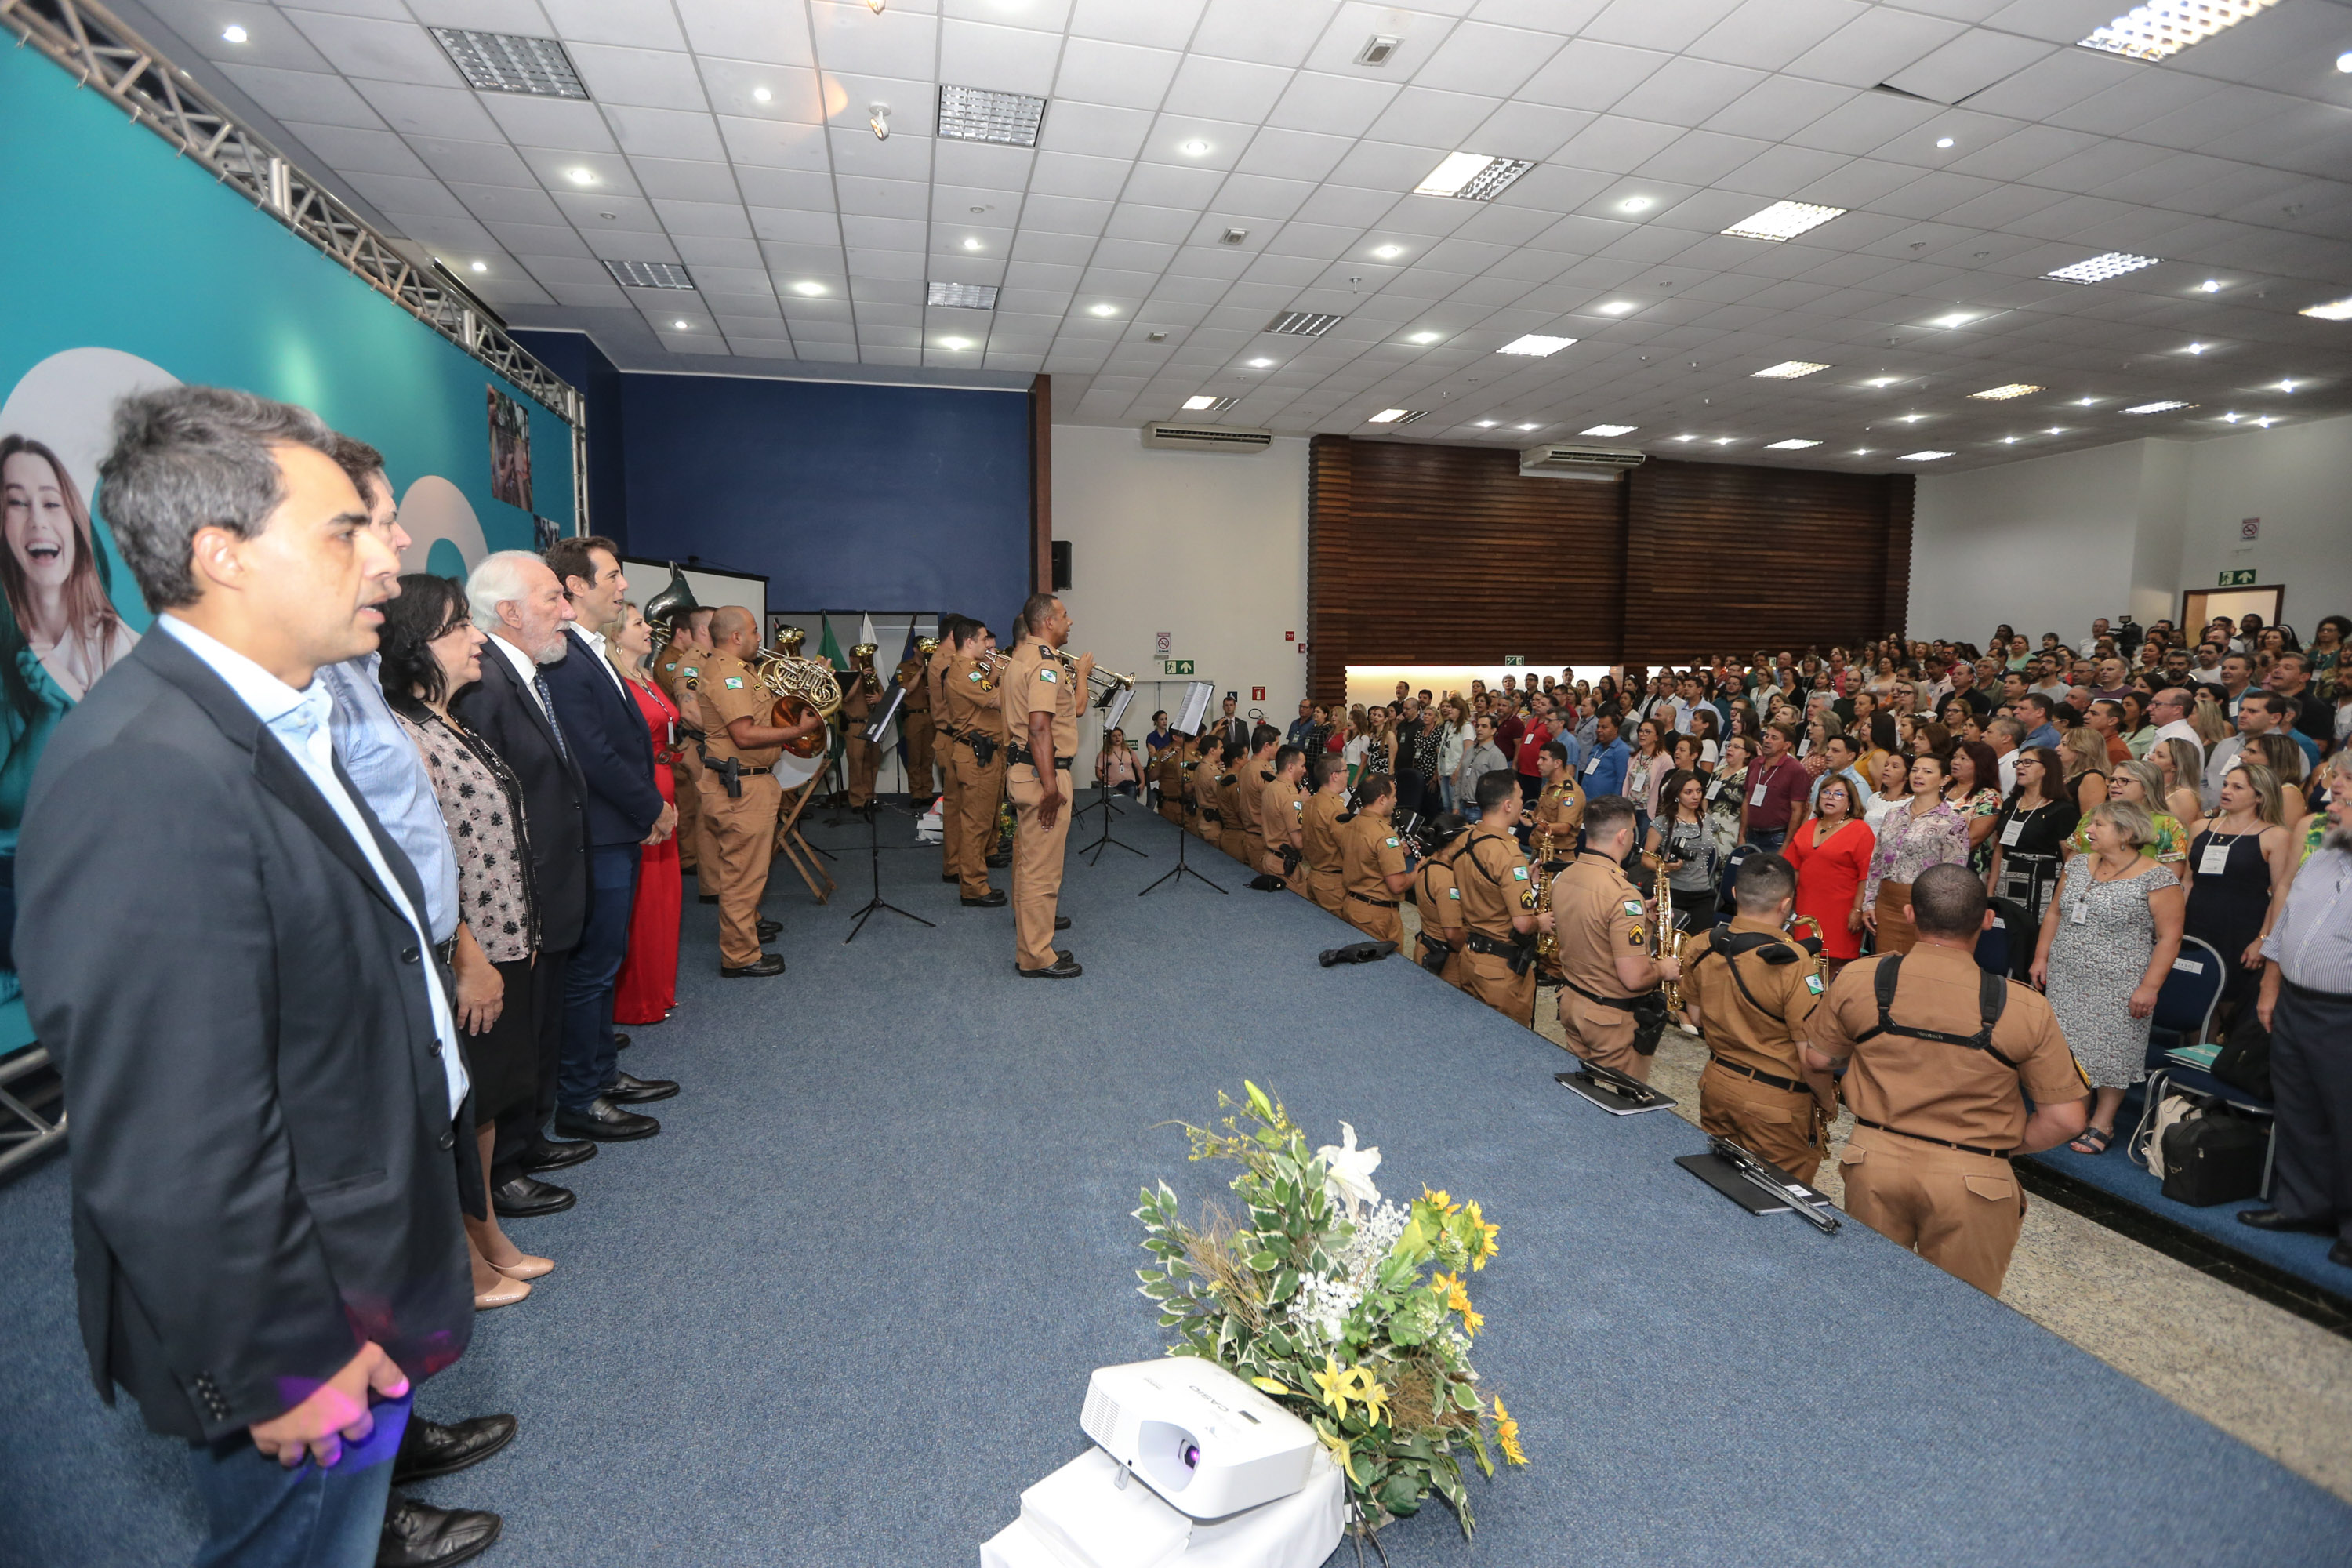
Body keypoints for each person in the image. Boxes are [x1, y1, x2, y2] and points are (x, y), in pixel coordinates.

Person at [17, 387, 481, 1566]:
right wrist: (291, 1357)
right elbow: (174, 1128)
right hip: (301, 1315)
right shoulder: (147, 770)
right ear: (221, 555)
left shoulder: (262, 720)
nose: (388, 553)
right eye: (345, 530)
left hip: (352, 1248)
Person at [381, 573, 553, 1309]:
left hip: (504, 938)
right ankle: (468, 1255)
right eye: (457, 626)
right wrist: (468, 956)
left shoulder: (450, 718)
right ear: (415, 645)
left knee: (486, 1101)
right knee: (465, 1104)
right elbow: (427, 859)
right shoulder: (402, 732)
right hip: (467, 952)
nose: (476, 635)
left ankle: (486, 1235)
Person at [1803, 865, 2092, 1297]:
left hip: (1875, 1162)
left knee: (1870, 1299)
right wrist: (2000, 1146)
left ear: (1908, 915)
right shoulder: (2023, 1006)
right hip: (1974, 1178)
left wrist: (1831, 1106)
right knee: (1960, 1316)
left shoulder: (1863, 977)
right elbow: (2067, 1120)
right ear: (1987, 922)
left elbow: (1818, 1058)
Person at [454, 551, 602, 1212]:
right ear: (508, 612)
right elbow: (483, 815)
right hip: (519, 899)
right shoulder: (485, 690)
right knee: (516, 1030)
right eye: (551, 599)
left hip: (551, 889)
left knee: (542, 1022)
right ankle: (505, 1164)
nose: (567, 610)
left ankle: (530, 1135)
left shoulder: (527, 677)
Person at [540, 537, 676, 1139]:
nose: (623, 587)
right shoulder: (567, 658)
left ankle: (601, 1074)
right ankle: (580, 1097)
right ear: (576, 587)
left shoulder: (591, 650)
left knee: (604, 962)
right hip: (597, 833)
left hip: (614, 829)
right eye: (614, 577)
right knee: (592, 969)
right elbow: (593, 754)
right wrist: (653, 806)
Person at [2241, 750, 2352, 1267]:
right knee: (2300, 1107)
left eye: (2347, 788)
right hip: (2295, 1003)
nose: (2332, 797)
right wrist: (2270, 986)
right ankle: (2304, 1204)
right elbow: (2287, 921)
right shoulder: (2326, 849)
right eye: (2335, 785)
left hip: (2344, 1014)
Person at [2031, 800, 2185, 1157]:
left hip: (2121, 983)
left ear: (2126, 834)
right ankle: (2073, 1113)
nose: (2089, 831)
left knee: (2112, 1053)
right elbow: (2055, 912)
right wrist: (2042, 956)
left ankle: (2103, 1122)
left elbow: (2170, 938)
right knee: (2066, 1046)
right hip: (2067, 975)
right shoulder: (2078, 864)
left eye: (2099, 825)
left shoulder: (2157, 877)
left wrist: (2149, 987)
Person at [1679, 854, 1836, 1183]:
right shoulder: (1794, 963)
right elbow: (1811, 1058)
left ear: (1735, 893)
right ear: (1786, 904)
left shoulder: (1702, 944)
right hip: (1776, 1105)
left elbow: (1694, 1017)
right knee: (1777, 1200)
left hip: (1718, 1084)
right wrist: (1827, 1101)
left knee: (1719, 1183)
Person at [696, 606, 814, 977]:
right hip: (741, 787)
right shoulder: (728, 674)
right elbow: (744, 735)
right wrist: (798, 731)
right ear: (735, 638)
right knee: (742, 876)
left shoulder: (740, 671)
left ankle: (747, 928)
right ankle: (740, 956)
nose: (759, 637)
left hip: (747, 782)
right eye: (753, 631)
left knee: (749, 871)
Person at [1552, 793, 1679, 1080]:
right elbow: (1634, 978)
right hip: (1609, 1020)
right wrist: (1663, 968)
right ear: (1623, 835)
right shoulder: (1623, 895)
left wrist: (1639, 916)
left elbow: (1590, 925)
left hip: (1573, 1001)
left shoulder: (1566, 875)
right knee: (1614, 1103)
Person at [605, 602, 684, 1032]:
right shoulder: (615, 682)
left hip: (665, 779)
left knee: (666, 897)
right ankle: (636, 1001)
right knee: (644, 901)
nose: (648, 630)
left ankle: (659, 991)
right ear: (616, 634)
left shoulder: (645, 676)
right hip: (643, 788)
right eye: (638, 624)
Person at [1004, 593, 1088, 978]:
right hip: (1043, 776)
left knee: (1028, 865)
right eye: (1065, 615)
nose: (1070, 621)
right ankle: (1037, 956)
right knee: (1043, 872)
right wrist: (1052, 786)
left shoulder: (1019, 656)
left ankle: (1033, 946)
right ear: (1047, 622)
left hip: (1026, 772)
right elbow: (1039, 726)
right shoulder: (1044, 664)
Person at [2185, 760, 2296, 1023]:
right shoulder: (2201, 827)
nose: (2227, 791)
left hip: (2241, 928)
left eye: (2237, 787)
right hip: (2197, 923)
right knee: (2193, 1001)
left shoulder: (2275, 836)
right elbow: (2187, 881)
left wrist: (2263, 940)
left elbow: (2281, 892)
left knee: (2231, 1006)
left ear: (2259, 795)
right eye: (2226, 785)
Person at [1452, 770, 1541, 1024]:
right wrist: (1541, 923)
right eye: (1520, 797)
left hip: (1469, 957)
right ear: (1508, 805)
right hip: (1500, 969)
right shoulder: (1509, 855)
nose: (1523, 804)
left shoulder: (1465, 839)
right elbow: (1523, 924)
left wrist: (1526, 884)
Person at [1864, 752, 1973, 956]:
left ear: (1944, 779)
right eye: (1915, 770)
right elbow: (1877, 862)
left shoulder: (1952, 821)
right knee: (1884, 964)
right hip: (1886, 902)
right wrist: (1869, 901)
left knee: (1917, 966)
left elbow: (1954, 874)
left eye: (1927, 771)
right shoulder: (1894, 814)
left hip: (1925, 907)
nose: (1918, 775)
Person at [939, 616, 1009, 904]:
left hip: (981, 751)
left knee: (979, 821)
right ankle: (974, 887)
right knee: (976, 825)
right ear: (969, 642)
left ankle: (974, 881)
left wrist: (994, 673)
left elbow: (980, 697)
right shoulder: (965, 671)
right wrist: (1022, 680)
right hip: (977, 755)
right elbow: (994, 700)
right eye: (982, 640)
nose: (987, 645)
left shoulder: (970, 671)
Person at [1788, 774, 1873, 980]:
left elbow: (1866, 876)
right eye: (1826, 792)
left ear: (1850, 802)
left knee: (1833, 963)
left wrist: (1857, 909)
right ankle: (1812, 1002)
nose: (1830, 798)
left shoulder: (1860, 830)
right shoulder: (1809, 826)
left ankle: (1828, 1006)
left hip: (1841, 911)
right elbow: (1793, 868)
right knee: (1807, 961)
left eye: (1838, 794)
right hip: (1807, 910)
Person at [1987, 747, 2079, 931]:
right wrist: (1990, 890)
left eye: (2028, 762)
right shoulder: (2011, 803)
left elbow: (2070, 859)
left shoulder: (2062, 810)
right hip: (2007, 879)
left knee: (2031, 938)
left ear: (2047, 769)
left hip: (2042, 884)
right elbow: (2000, 847)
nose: (2020, 766)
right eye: (2018, 763)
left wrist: (2060, 898)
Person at [1337, 770, 1413, 949]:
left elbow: (1366, 857)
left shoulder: (1352, 823)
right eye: (1393, 796)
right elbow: (1397, 885)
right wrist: (1419, 871)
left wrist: (1398, 854)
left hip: (1351, 904)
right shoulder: (1385, 835)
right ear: (1382, 799)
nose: (1396, 800)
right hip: (1376, 915)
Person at [1642, 771, 1721, 934]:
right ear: (1677, 795)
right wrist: (1666, 867)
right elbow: (1646, 859)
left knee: (1698, 945)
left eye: (1699, 791)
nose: (1695, 797)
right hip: (1673, 892)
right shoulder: (1663, 823)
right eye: (1688, 792)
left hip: (1702, 893)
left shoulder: (1707, 821)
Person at [1412, 811, 1472, 986]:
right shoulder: (1447, 881)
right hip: (1447, 962)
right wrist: (1471, 957)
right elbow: (1452, 934)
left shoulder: (1428, 863)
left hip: (1426, 947)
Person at [1740, 721, 1807, 855]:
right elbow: (1746, 800)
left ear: (1787, 745)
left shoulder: (1796, 770)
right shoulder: (1755, 764)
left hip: (1776, 837)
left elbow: (1797, 811)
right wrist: (1741, 835)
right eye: (1766, 736)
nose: (1767, 740)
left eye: (1774, 738)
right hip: (1751, 835)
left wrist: (1787, 845)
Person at [1301, 753, 1350, 915]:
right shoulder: (1336, 808)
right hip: (1332, 883)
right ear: (1335, 776)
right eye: (1346, 771)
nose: (1348, 775)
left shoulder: (1310, 802)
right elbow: (1348, 846)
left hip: (1315, 875)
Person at [1258, 743, 1309, 894]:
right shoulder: (1291, 796)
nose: (1305, 770)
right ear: (1291, 767)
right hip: (1284, 866)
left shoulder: (1271, 787)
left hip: (1271, 858)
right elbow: (1298, 842)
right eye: (1303, 765)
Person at [895, 640, 937, 797]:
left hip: (931, 715)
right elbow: (907, 690)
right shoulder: (904, 667)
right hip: (914, 716)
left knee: (928, 757)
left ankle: (927, 792)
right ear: (915, 649)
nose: (927, 650)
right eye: (923, 647)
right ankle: (916, 793)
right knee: (914, 757)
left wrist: (933, 691)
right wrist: (921, 672)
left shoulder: (935, 666)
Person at [1704, 733, 1751, 860]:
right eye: (1729, 746)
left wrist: (1742, 836)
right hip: (1708, 827)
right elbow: (1705, 798)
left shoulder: (1748, 775)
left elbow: (1747, 806)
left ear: (1747, 753)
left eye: (1736, 747)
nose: (1730, 749)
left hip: (1730, 832)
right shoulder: (1718, 770)